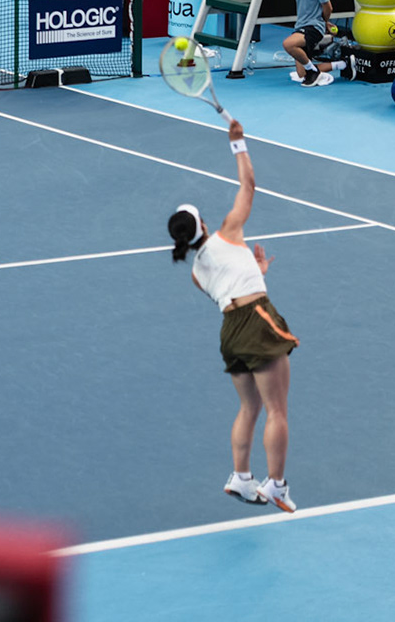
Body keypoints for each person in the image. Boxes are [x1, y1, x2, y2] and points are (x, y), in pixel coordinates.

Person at [167, 118, 298, 514]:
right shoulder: (227, 231)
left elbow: (232, 291)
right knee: (277, 411)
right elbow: (249, 186)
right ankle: (276, 485)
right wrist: (238, 143)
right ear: (203, 225)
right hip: (257, 321)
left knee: (249, 408)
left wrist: (258, 273)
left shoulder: (196, 272)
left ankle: (241, 477)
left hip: (232, 333)